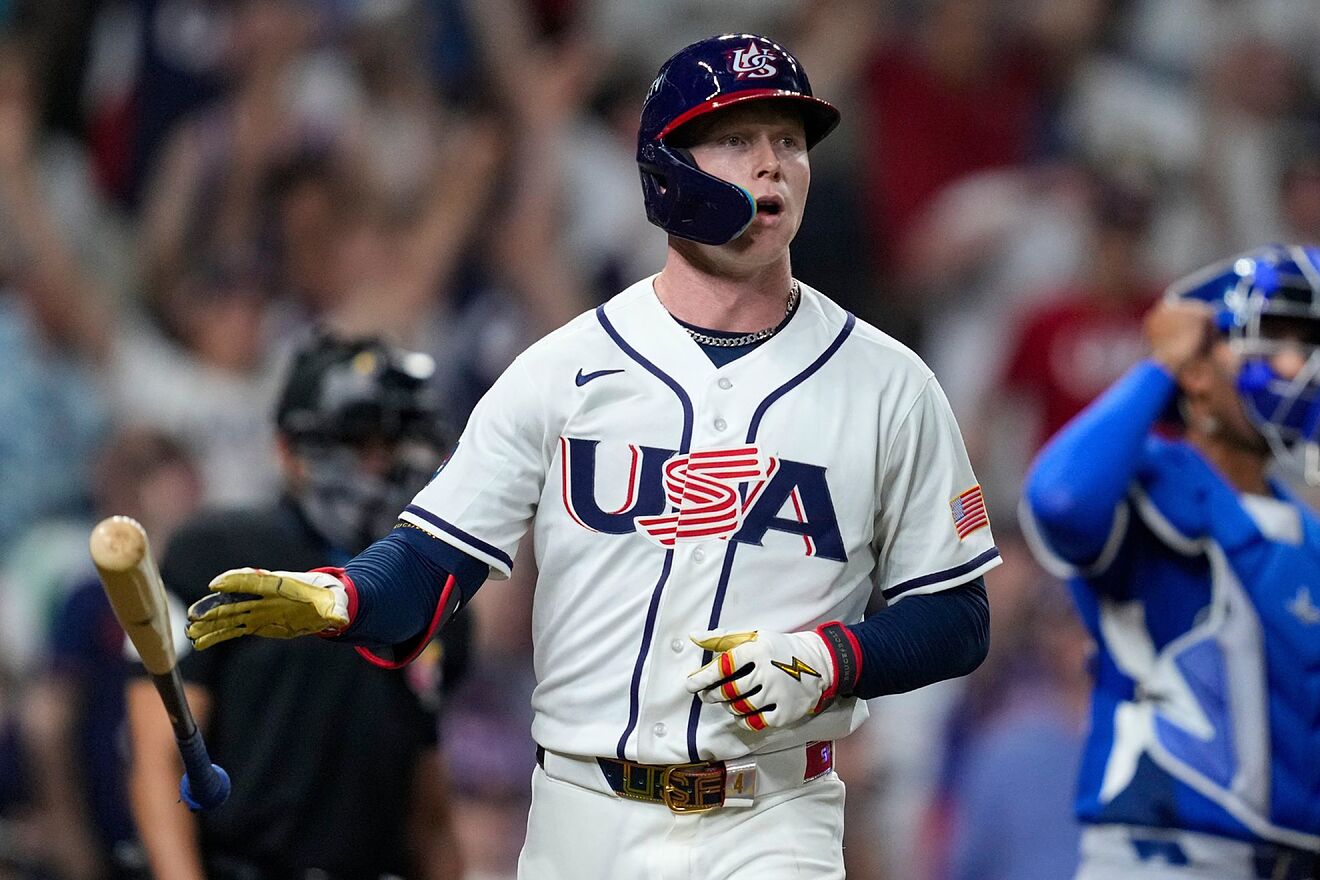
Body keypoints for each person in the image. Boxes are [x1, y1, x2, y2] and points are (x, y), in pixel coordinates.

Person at [186, 34, 1000, 879]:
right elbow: (433, 563)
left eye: (788, 141)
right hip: (586, 813)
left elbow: (957, 617)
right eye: (736, 139)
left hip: (775, 817)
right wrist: (345, 596)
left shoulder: (890, 384)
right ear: (666, 171)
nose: (772, 165)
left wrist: (834, 659)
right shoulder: (565, 368)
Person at [1021, 243, 1320, 880]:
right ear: (1199, 368)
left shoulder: (1305, 525)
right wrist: (1157, 368)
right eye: (1278, 340)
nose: (1301, 366)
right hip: (1161, 853)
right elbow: (1060, 498)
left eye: (1310, 344)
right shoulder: (1153, 483)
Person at [127, 334, 469, 880]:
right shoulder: (219, 552)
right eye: (360, 441)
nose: (379, 466)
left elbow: (426, 812)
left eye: (395, 444)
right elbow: (157, 755)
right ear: (288, 450)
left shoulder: (438, 593)